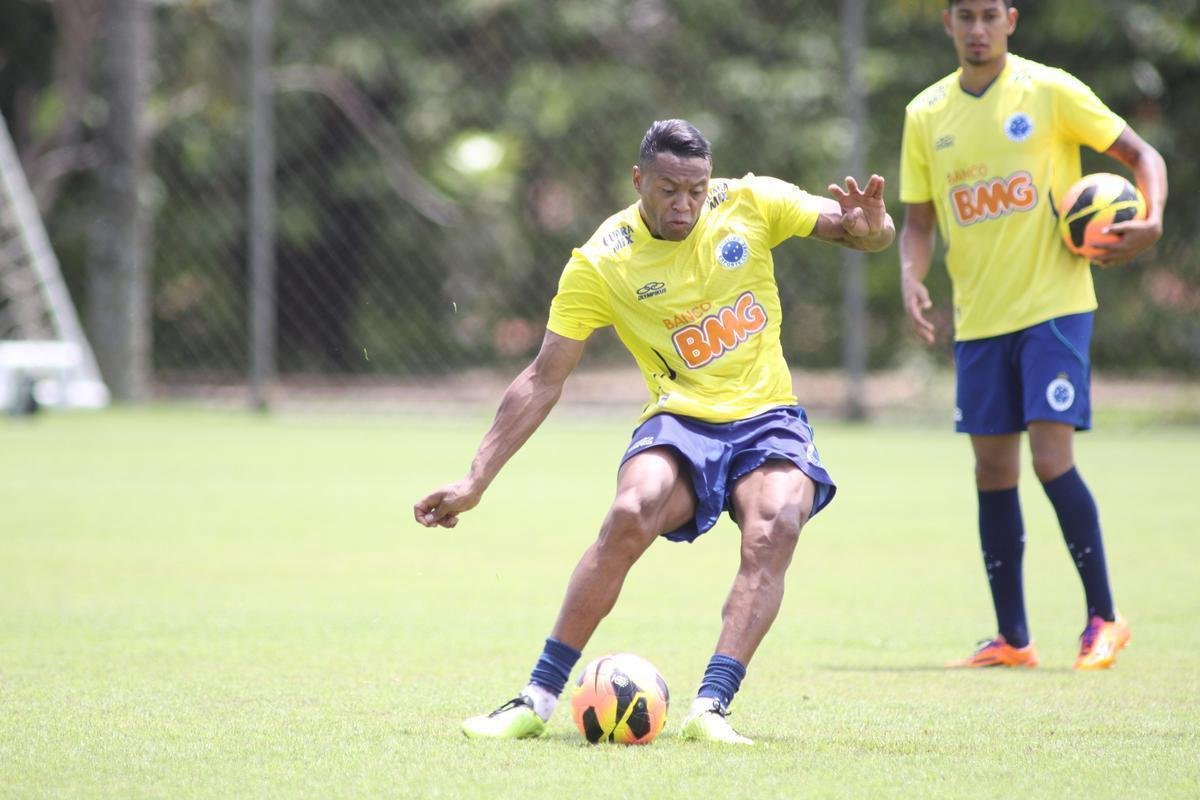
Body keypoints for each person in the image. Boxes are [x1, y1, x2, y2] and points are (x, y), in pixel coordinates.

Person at [414, 118, 894, 744]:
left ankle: (711, 708)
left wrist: (874, 227)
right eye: (668, 189)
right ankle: (536, 697)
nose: (685, 204)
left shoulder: (751, 201)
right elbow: (542, 378)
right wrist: (476, 479)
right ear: (639, 179)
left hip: (769, 416)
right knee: (631, 509)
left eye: (696, 189)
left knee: (775, 525)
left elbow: (863, 234)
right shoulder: (602, 260)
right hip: (681, 418)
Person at [898, 0, 1168, 669]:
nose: (979, 28)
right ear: (948, 24)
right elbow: (920, 222)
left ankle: (1105, 617)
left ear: (1011, 20)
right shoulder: (925, 114)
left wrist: (1153, 217)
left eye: (990, 14)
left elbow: (1142, 154)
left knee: (1050, 459)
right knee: (992, 471)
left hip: (1055, 309)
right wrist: (910, 276)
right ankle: (1013, 638)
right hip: (981, 320)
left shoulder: (1050, 92)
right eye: (966, 16)